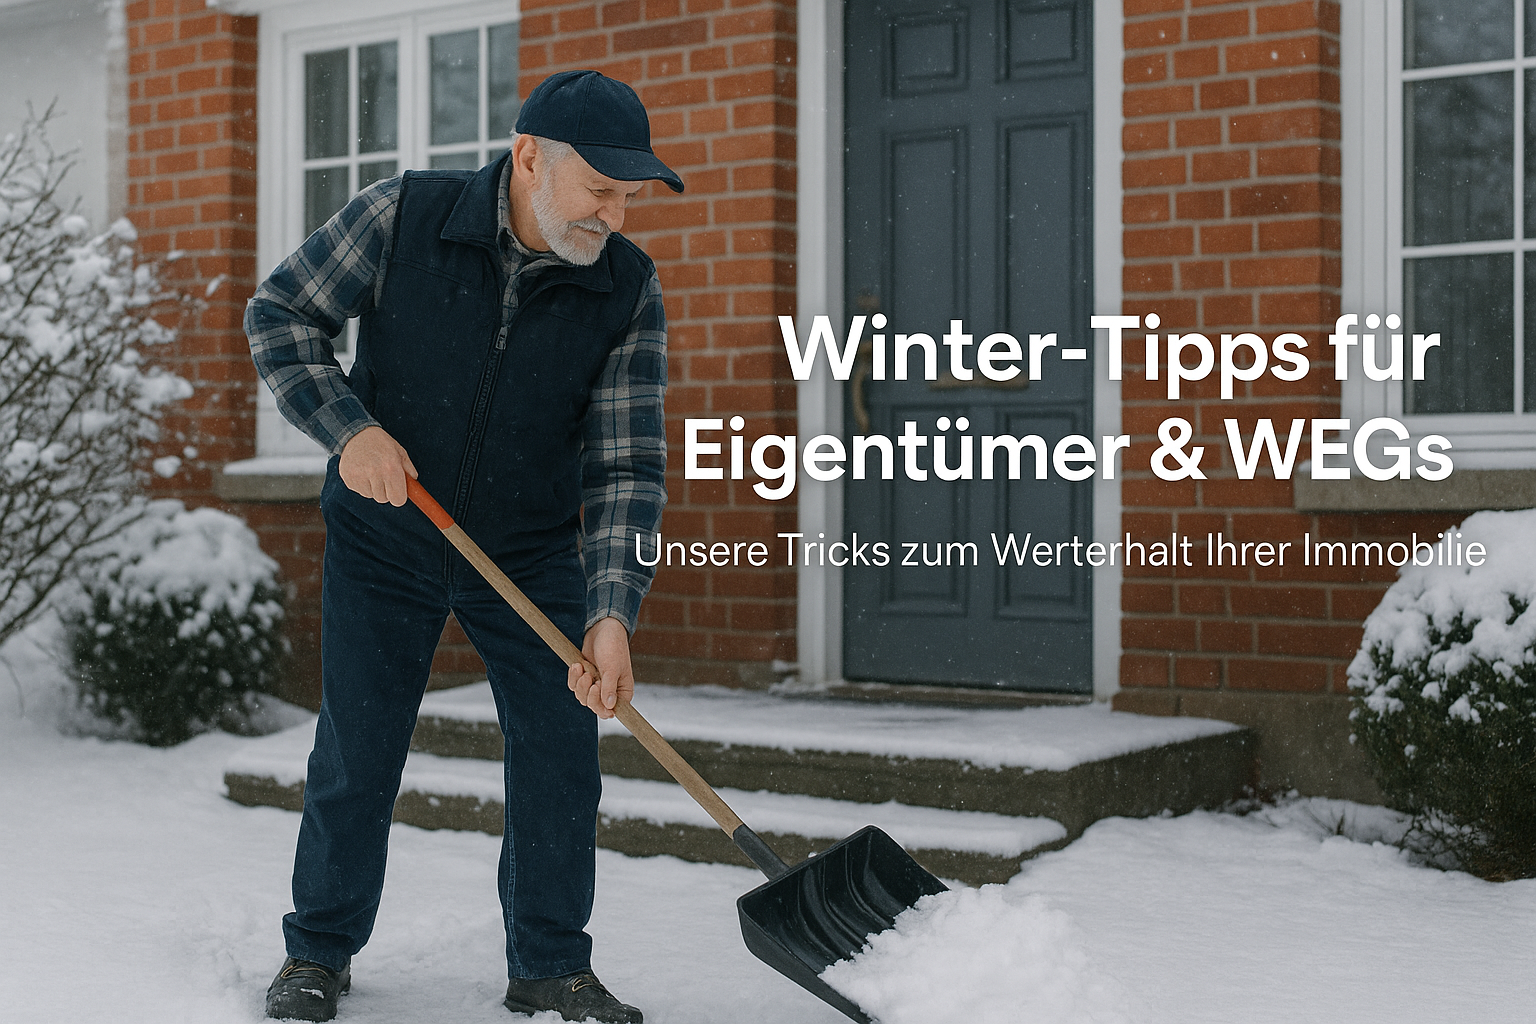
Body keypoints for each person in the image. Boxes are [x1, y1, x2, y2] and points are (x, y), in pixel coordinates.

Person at [244, 70, 681, 1023]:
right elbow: (281, 315)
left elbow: (627, 469)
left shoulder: (625, 290)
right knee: (359, 747)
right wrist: (347, 429)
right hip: (386, 534)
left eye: (626, 196)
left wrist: (610, 613)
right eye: (599, 190)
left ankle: (550, 964)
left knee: (562, 748)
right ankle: (317, 951)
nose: (613, 215)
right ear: (530, 158)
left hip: (528, 550)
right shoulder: (404, 215)